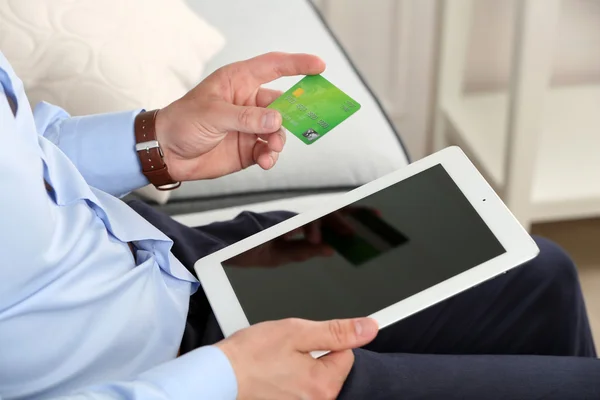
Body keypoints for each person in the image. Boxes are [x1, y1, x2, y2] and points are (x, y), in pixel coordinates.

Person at [0, 49, 598, 400]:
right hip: (154, 375)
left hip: (161, 261)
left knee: (537, 269)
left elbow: (25, 150)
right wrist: (222, 380)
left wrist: (153, 145)